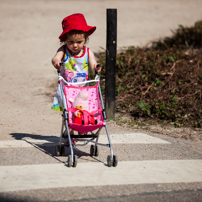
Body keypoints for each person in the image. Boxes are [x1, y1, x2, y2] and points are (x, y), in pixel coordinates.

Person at [51, 13, 101, 111]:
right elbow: (55, 58)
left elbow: (93, 63)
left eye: (79, 42)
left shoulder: (87, 52)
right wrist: (56, 62)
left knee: (83, 110)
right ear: (65, 39)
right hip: (67, 88)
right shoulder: (64, 50)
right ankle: (70, 124)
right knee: (69, 112)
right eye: (71, 42)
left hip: (83, 89)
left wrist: (95, 67)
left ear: (85, 39)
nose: (75, 45)